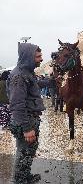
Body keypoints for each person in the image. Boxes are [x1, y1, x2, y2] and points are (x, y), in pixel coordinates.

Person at [7, 42, 48, 184]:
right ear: (28, 57)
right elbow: (17, 105)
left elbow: (35, 85)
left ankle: (25, 176)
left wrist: (53, 80)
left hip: (30, 119)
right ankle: (19, 180)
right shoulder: (18, 76)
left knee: (28, 152)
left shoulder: (27, 73)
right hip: (26, 121)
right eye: (38, 56)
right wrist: (27, 128)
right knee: (23, 152)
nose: (41, 59)